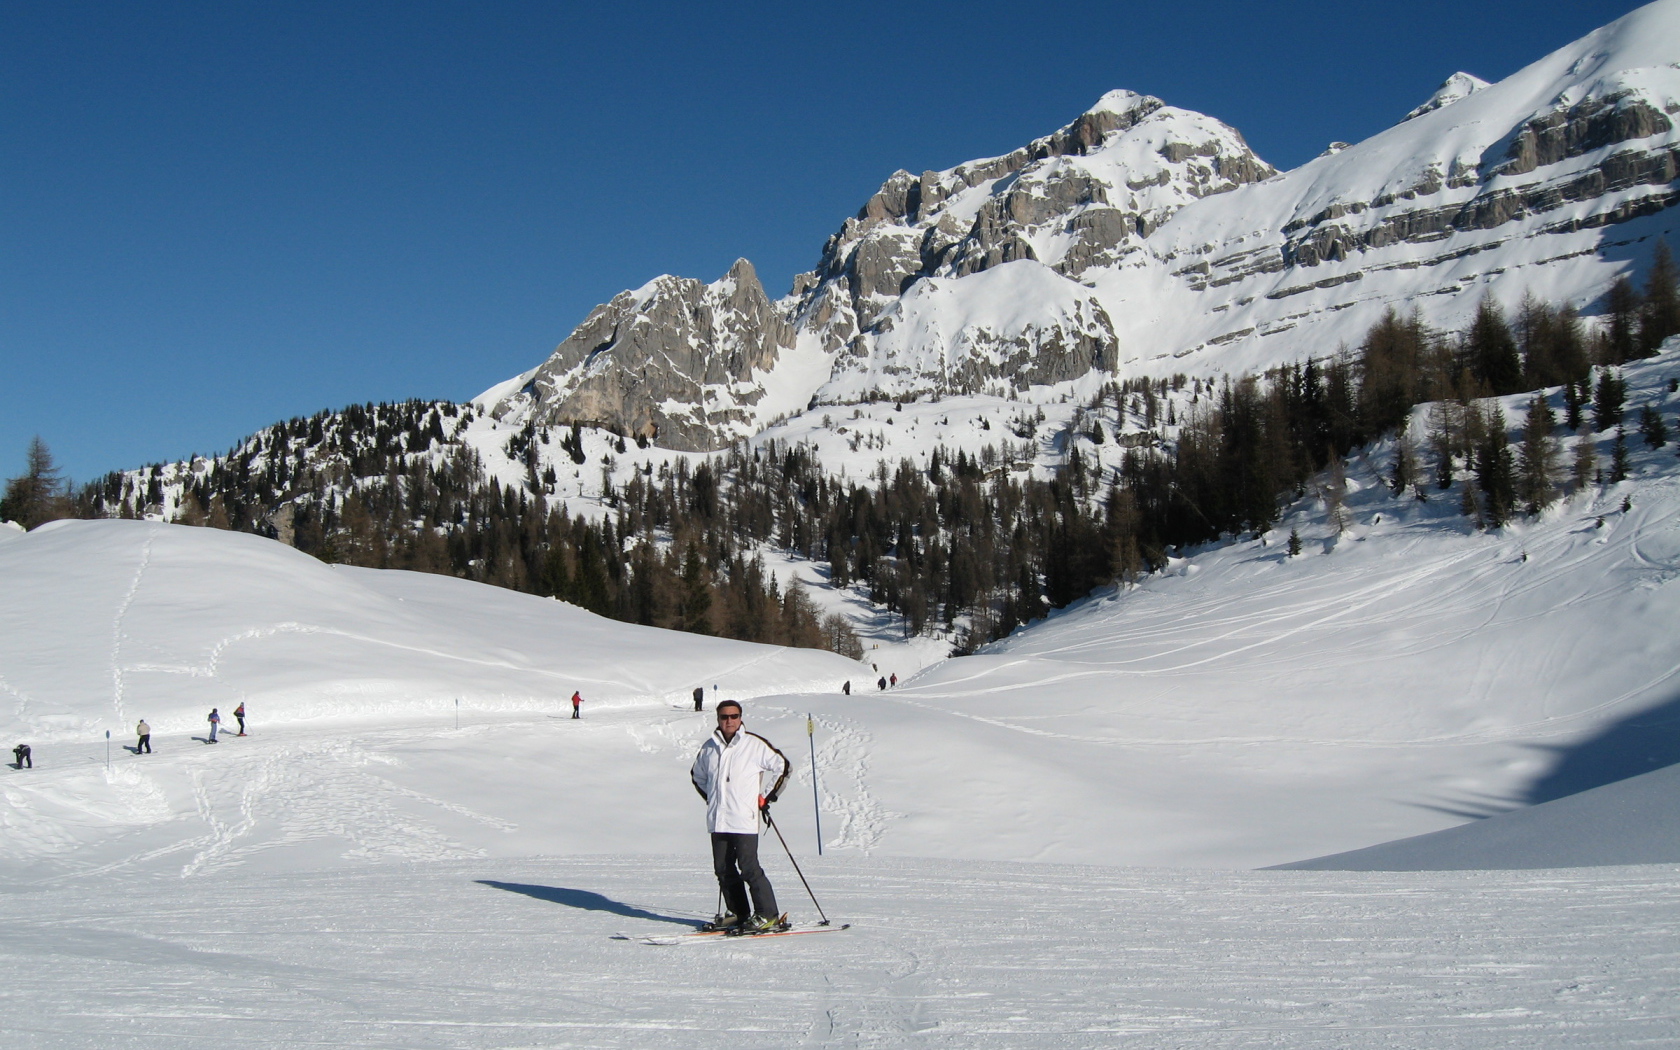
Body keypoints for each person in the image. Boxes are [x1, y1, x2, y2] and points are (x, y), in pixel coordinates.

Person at [690, 701, 789, 934]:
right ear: (718, 719)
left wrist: (766, 797)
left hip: (744, 818)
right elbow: (697, 776)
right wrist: (714, 798)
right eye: (724, 716)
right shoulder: (709, 747)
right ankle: (738, 912)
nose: (729, 721)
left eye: (734, 716)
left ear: (740, 718)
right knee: (723, 868)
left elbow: (783, 766)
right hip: (718, 819)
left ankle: (768, 915)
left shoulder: (753, 744)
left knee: (748, 867)